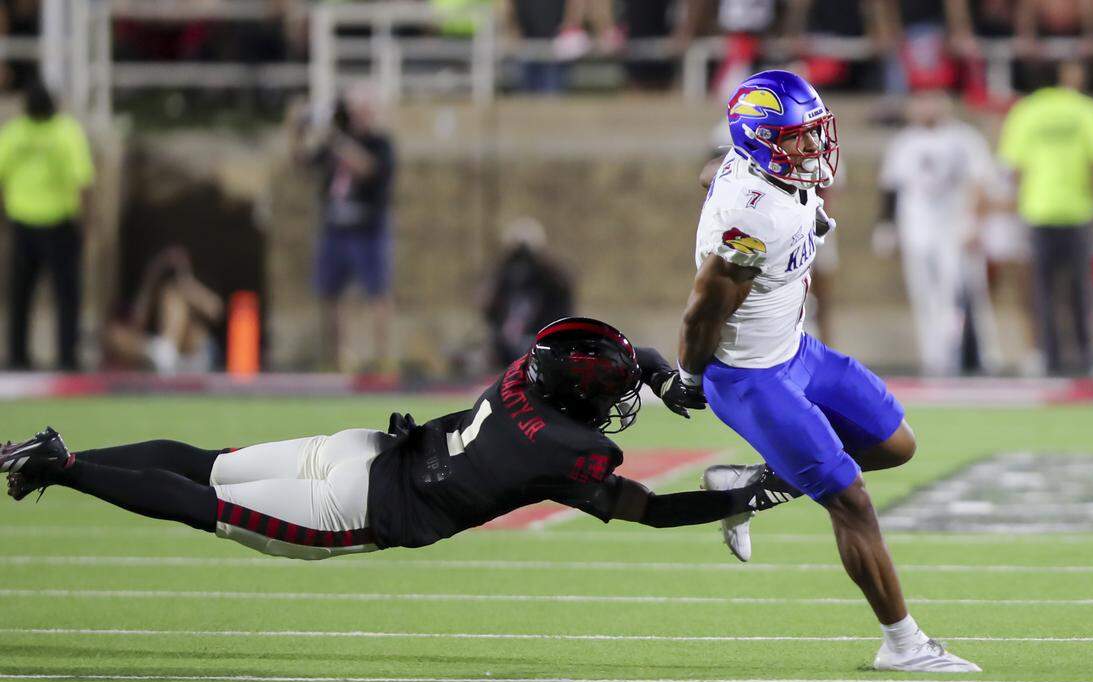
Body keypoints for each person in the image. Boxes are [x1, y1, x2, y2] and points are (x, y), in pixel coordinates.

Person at [3, 317, 785, 560]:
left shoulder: (524, 373)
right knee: (202, 504)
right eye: (610, 388)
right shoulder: (570, 451)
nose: (619, 398)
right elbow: (646, 511)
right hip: (354, 503)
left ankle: (59, 448)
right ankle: (64, 465)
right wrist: (748, 494)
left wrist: (652, 370)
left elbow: (614, 353)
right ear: (581, 391)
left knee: (207, 465)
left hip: (366, 450)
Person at [677, 70, 980, 672]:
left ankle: (747, 486)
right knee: (852, 501)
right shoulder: (750, 222)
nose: (814, 147)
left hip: (796, 350)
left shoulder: (767, 171)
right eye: (797, 137)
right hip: (751, 375)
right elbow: (701, 312)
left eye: (815, 132)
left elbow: (716, 171)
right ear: (760, 140)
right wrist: (690, 379)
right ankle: (903, 644)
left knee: (895, 444)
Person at [998, 59, 1093, 376]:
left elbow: (1014, 167)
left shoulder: (1025, 111)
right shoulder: (1087, 110)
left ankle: (1047, 356)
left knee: (1041, 290)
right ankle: (1089, 357)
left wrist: (1023, 201)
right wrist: (1091, 197)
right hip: (1078, 210)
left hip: (1038, 210)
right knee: (1081, 289)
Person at [874, 90, 998, 376]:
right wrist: (886, 226)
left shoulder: (964, 139)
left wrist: (974, 224)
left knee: (958, 294)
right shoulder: (904, 142)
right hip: (916, 228)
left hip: (953, 229)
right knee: (923, 294)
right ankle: (934, 357)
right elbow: (891, 186)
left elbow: (980, 182)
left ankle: (969, 356)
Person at [289, 90, 396, 372]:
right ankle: (338, 358)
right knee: (331, 293)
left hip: (368, 229)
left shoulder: (379, 143)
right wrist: (297, 131)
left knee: (378, 294)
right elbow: (302, 162)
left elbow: (368, 168)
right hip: (335, 228)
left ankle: (383, 359)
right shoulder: (334, 144)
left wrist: (334, 137)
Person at [0, 79, 94, 371]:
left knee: (20, 296)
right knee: (67, 296)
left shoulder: (14, 133)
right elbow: (83, 181)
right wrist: (86, 222)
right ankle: (67, 357)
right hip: (59, 224)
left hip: (23, 222)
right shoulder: (66, 131)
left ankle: (17, 357)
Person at [102, 246, 224, 374]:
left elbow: (216, 311)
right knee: (114, 334)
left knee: (171, 294)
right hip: (161, 355)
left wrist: (185, 279)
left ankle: (166, 352)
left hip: (194, 353)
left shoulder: (186, 288)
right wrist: (152, 275)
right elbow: (136, 323)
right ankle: (163, 354)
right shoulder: (151, 291)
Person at [483, 218, 574, 369]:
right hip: (508, 344)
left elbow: (563, 287)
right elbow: (488, 306)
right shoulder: (506, 278)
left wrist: (541, 258)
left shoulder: (550, 279)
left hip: (542, 342)